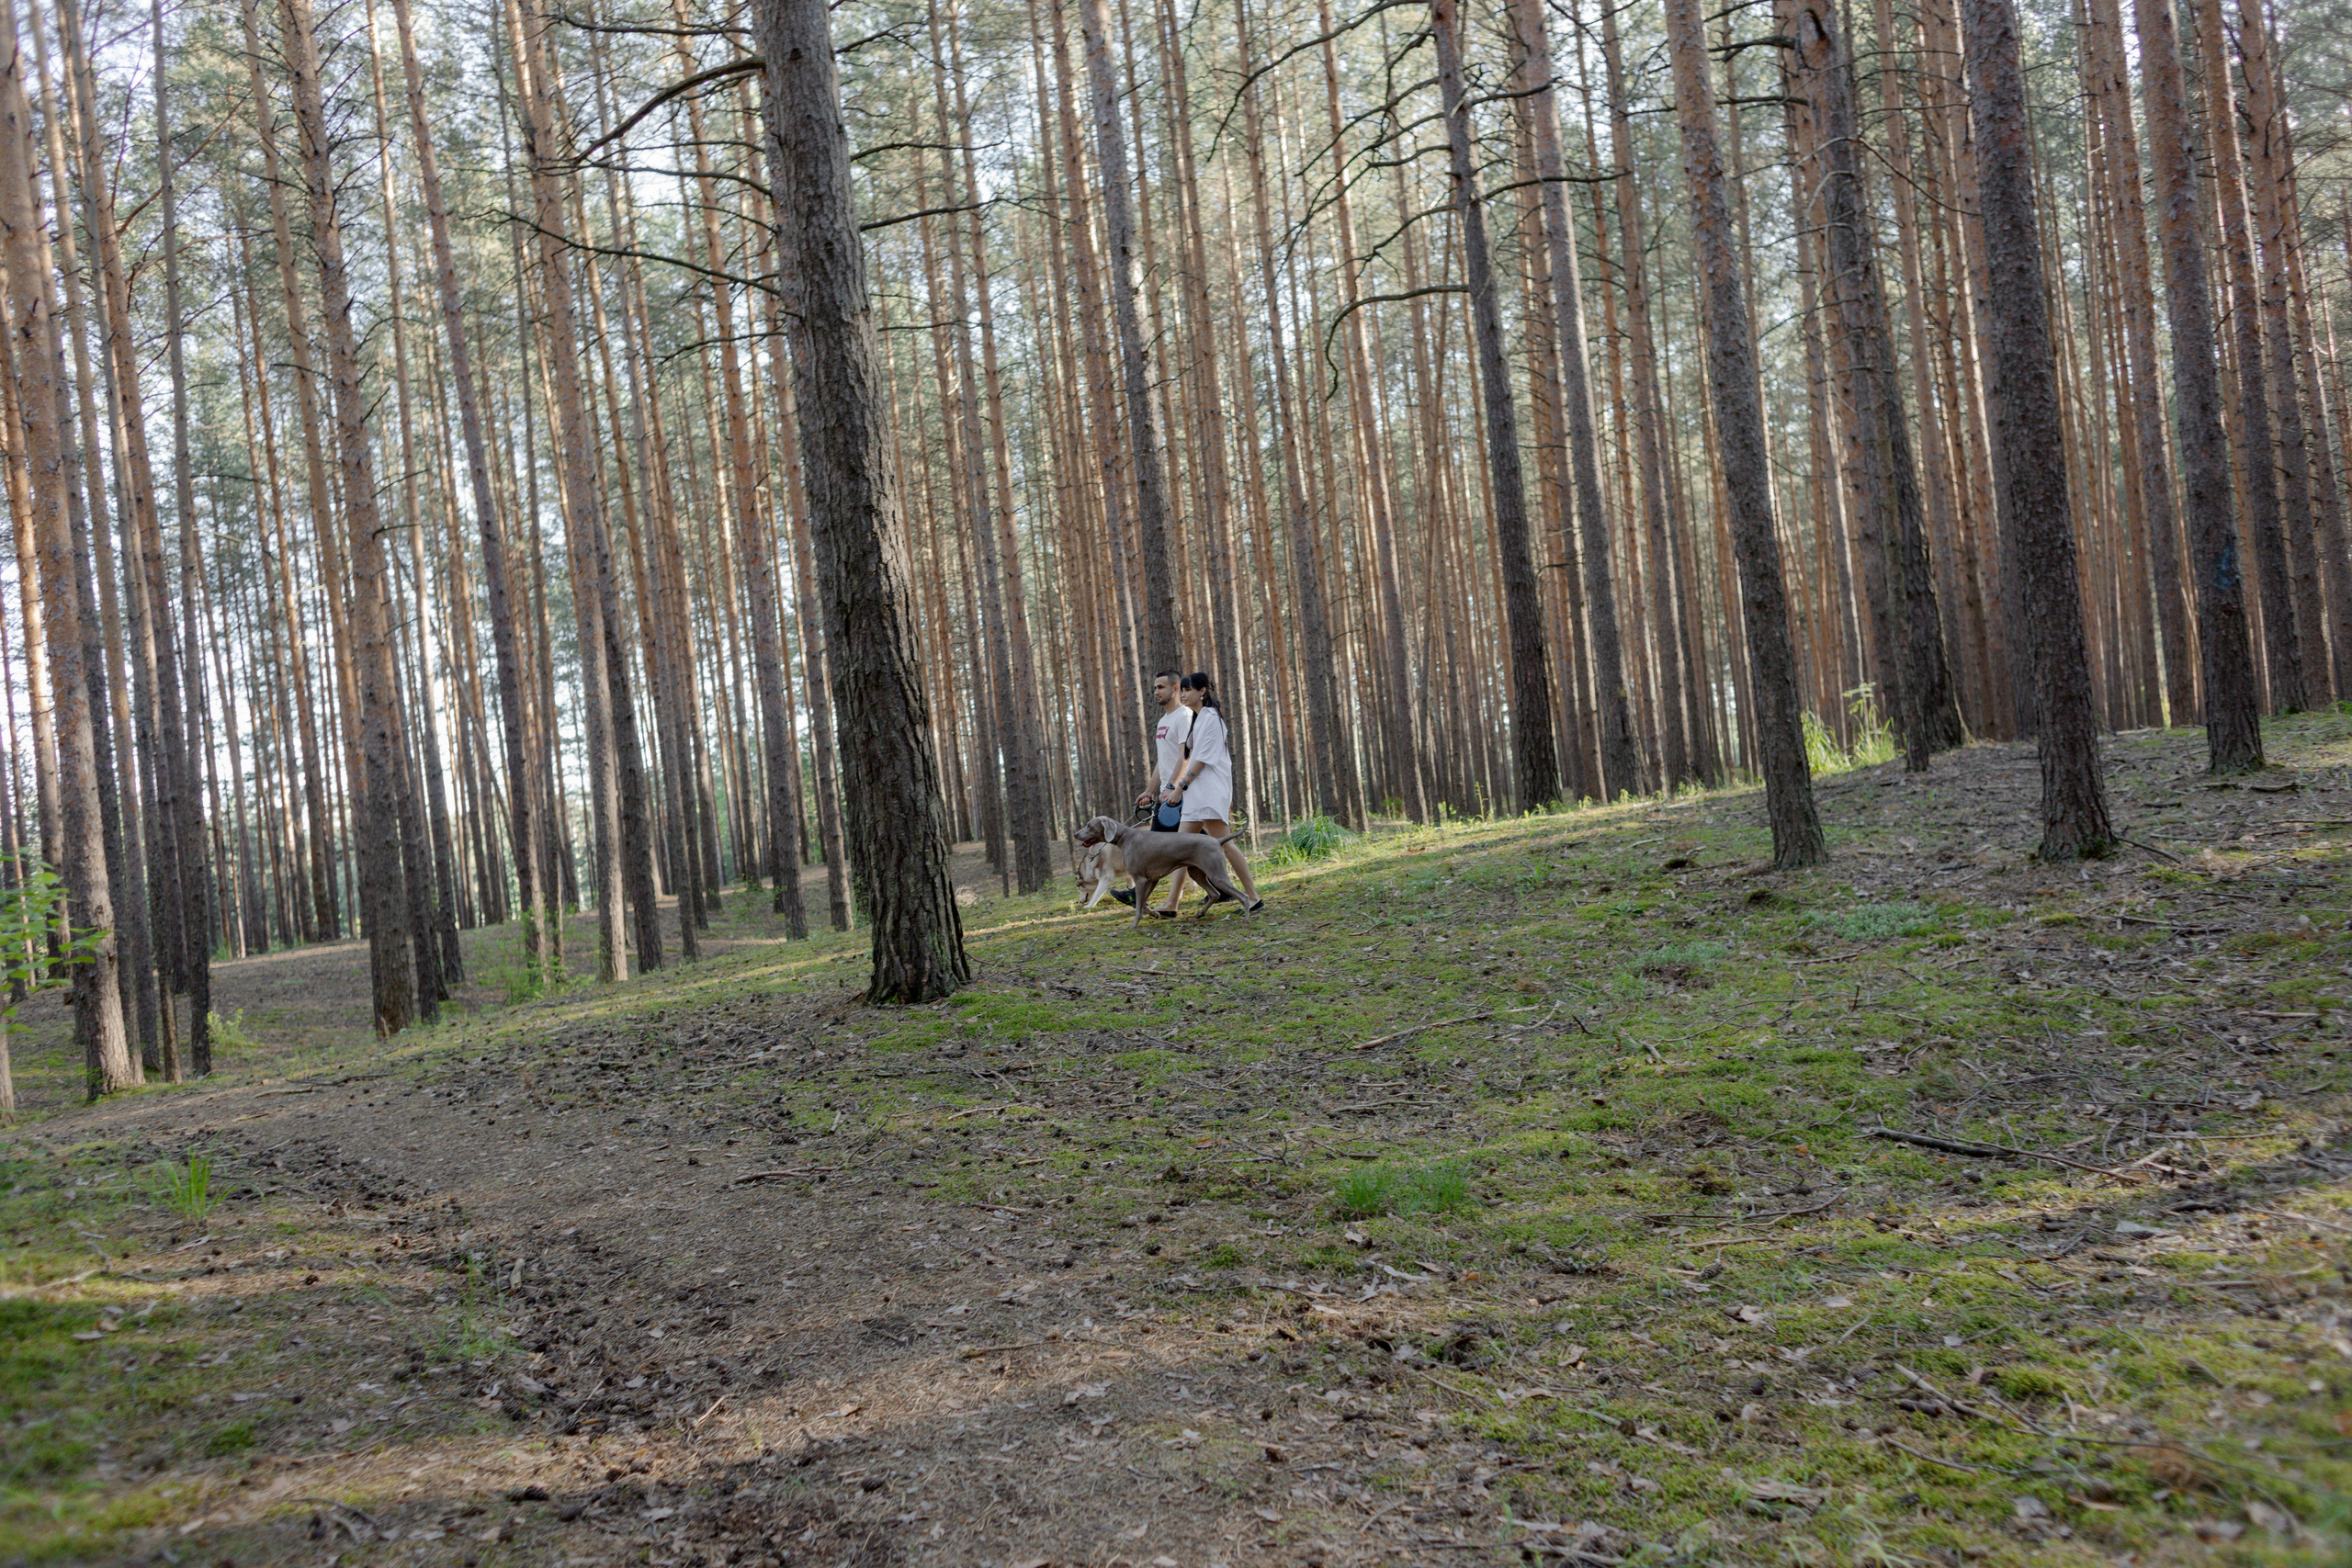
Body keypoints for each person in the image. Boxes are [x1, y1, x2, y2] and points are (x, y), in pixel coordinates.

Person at [1158, 672, 1261, 914]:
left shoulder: (1212, 719)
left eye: (1188, 690)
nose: (1183, 694)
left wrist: (1178, 788)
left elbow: (1201, 761)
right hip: (1197, 793)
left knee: (1224, 845)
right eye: (1181, 690)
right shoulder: (1199, 718)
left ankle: (1254, 898)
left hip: (1209, 792)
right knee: (1181, 848)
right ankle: (1172, 904)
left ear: (1202, 691)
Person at [1113, 670, 1192, 908]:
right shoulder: (1163, 721)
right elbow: (1164, 760)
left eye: (1161, 687)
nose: (1156, 692)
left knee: (1157, 848)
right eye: (1155, 688)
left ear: (1176, 689)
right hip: (1167, 794)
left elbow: (1185, 756)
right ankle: (1219, 890)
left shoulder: (1184, 717)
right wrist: (1150, 790)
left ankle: (1141, 896)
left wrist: (1171, 788)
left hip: (1180, 794)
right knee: (1194, 848)